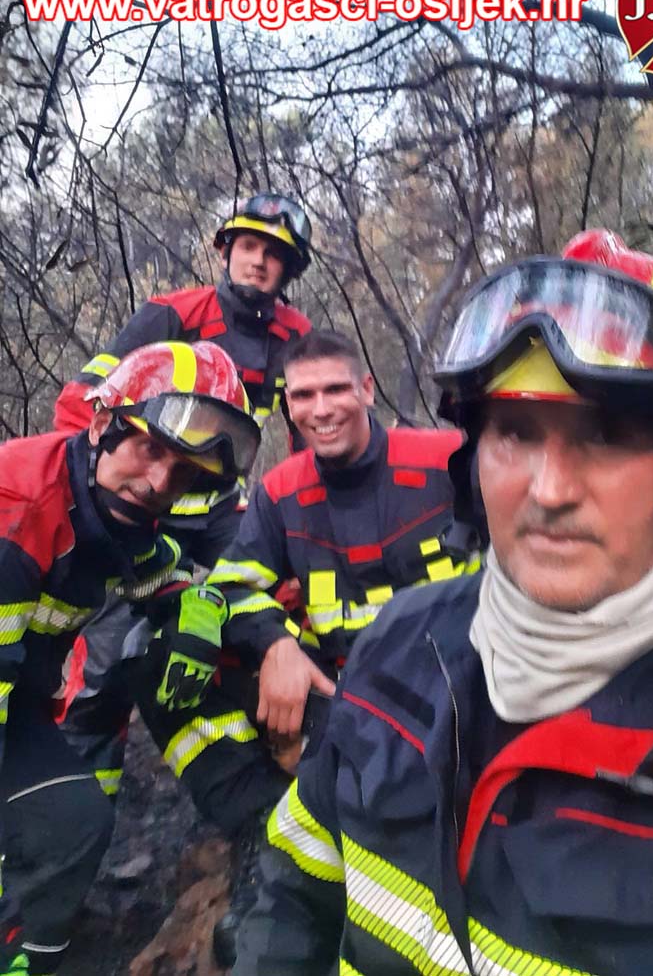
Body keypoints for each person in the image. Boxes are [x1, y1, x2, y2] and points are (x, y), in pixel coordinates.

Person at [233, 230, 653, 976]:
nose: (550, 490)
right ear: (473, 462)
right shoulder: (395, 646)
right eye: (515, 432)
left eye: (608, 435)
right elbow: (292, 893)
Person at [198, 328, 481, 965]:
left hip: (467, 688)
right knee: (181, 647)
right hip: (349, 701)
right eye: (303, 396)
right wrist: (277, 646)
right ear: (287, 406)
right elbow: (230, 586)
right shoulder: (281, 492)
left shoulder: (444, 461)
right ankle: (267, 854)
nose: (320, 409)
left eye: (334, 390)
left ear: (366, 389)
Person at [0, 340, 260, 976]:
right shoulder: (17, 509)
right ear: (100, 424)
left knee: (74, 822)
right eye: (150, 450)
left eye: (185, 474)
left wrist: (198, 612)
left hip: (16, 700)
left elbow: (160, 573)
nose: (159, 484)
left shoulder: (111, 515)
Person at [54, 191, 313, 803]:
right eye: (248, 246)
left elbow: (308, 432)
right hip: (143, 507)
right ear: (225, 251)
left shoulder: (296, 337)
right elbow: (84, 401)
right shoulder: (171, 313)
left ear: (288, 270)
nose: (258, 261)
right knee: (105, 658)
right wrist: (89, 499)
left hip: (223, 513)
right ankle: (80, 800)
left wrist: (304, 515)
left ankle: (281, 760)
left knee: (283, 606)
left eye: (274, 254)